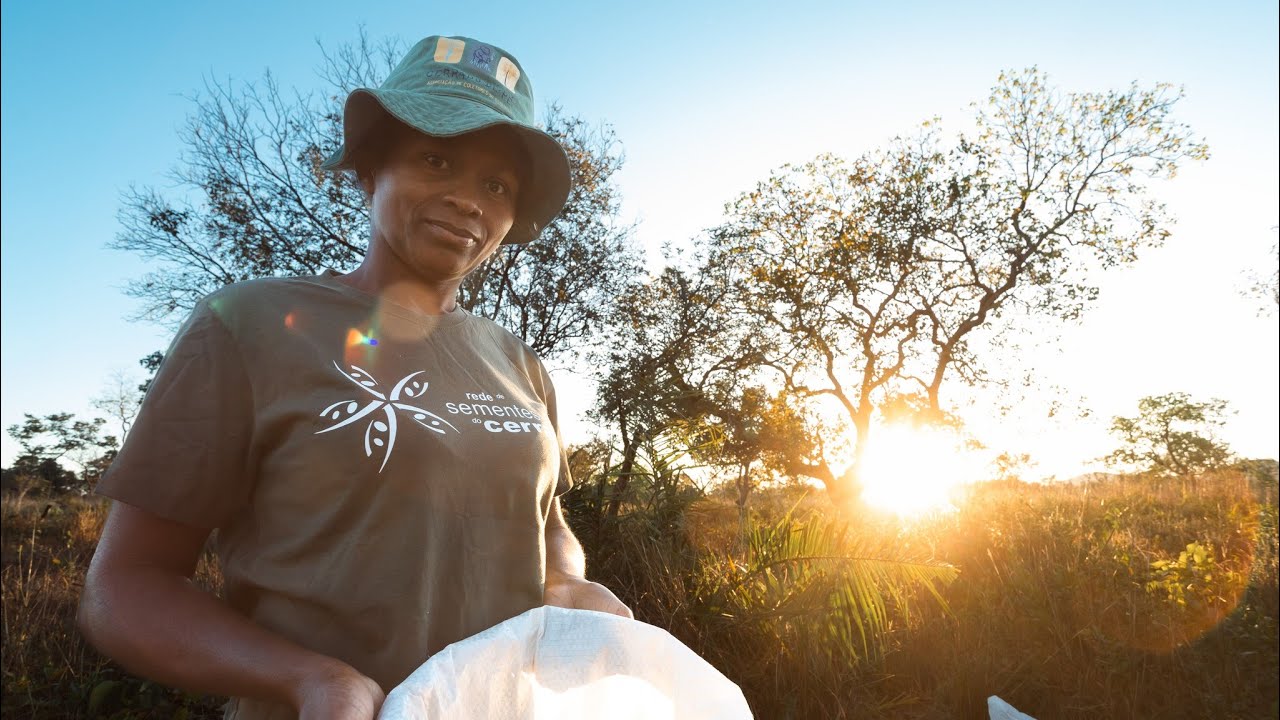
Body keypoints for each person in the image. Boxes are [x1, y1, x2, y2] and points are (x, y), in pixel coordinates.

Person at [78, 34, 632, 720]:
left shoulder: (519, 361)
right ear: (371, 172)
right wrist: (311, 680)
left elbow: (548, 523)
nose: (468, 200)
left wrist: (568, 583)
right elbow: (127, 583)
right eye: (437, 159)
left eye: (497, 184)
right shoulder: (249, 324)